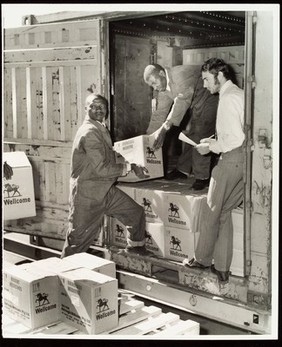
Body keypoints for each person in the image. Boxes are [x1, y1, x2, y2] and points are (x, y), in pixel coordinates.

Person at [61, 93, 152, 258]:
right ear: (85, 108)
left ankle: (136, 248)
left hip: (105, 190)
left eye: (102, 107)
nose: (98, 110)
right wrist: (128, 167)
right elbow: (102, 169)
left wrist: (130, 159)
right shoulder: (89, 132)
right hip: (87, 195)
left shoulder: (99, 128)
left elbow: (109, 155)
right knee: (77, 243)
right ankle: (62, 277)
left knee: (135, 213)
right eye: (93, 106)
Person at [183, 58, 245, 283]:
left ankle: (201, 260)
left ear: (220, 75)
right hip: (244, 163)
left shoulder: (227, 99)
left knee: (211, 212)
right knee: (224, 212)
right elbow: (240, 133)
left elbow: (235, 139)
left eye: (207, 80)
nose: (205, 85)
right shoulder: (239, 94)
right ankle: (222, 269)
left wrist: (209, 147)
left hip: (230, 160)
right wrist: (215, 139)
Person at [143, 64, 218, 190]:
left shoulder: (179, 75)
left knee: (201, 132)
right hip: (195, 101)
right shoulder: (163, 88)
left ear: (162, 73)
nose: (155, 88)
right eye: (152, 86)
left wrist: (165, 128)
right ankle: (183, 169)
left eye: (154, 83)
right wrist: (147, 138)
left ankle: (202, 177)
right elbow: (159, 114)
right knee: (190, 134)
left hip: (210, 97)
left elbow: (181, 102)